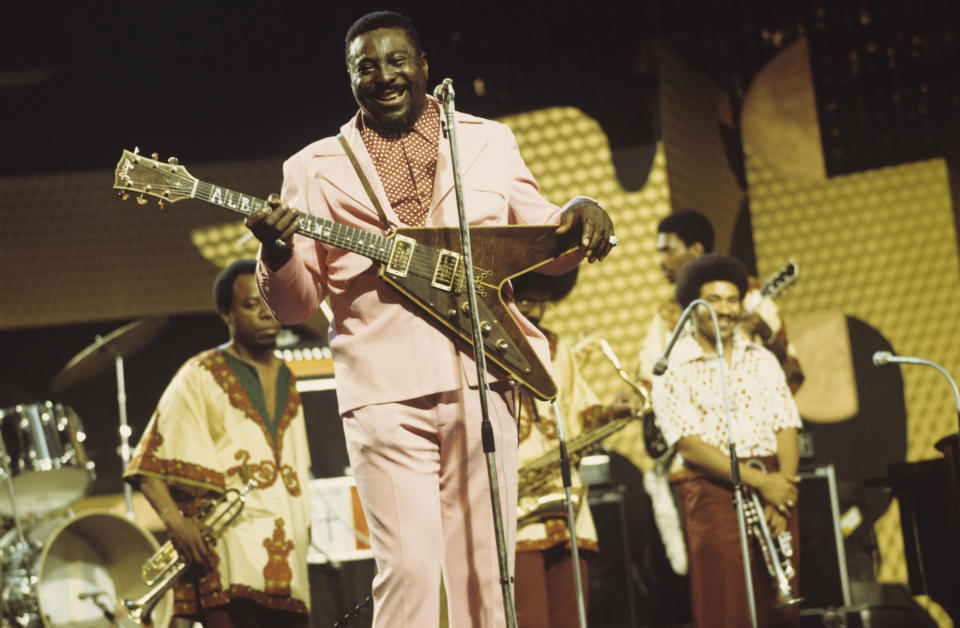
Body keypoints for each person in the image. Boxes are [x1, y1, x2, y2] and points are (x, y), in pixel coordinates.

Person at [243, 11, 616, 628]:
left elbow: (544, 238)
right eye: (366, 66)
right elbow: (296, 305)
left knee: (486, 569)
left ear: (424, 69)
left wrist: (580, 210)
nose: (384, 76)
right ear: (350, 77)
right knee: (410, 569)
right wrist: (278, 252)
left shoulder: (487, 141)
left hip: (482, 375)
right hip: (381, 390)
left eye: (397, 61)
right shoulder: (311, 166)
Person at [124, 259, 311, 627]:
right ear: (226, 313)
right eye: (250, 304)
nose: (265, 313)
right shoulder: (201, 372)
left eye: (270, 301)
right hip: (227, 554)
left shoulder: (290, 378)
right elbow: (147, 465)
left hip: (288, 556)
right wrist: (176, 524)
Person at [651, 253, 802, 628]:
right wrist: (763, 483)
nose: (725, 309)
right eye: (714, 300)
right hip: (714, 490)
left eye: (733, 300)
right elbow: (687, 443)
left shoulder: (762, 359)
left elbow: (786, 424)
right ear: (692, 306)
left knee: (780, 606)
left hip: (775, 486)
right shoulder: (672, 365)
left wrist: (782, 490)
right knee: (727, 603)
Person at [511, 269, 634, 628]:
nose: (534, 312)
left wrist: (613, 412)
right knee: (528, 617)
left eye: (541, 303)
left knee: (573, 617)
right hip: (513, 503)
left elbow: (581, 412)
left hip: (565, 500)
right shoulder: (478, 348)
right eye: (525, 301)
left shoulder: (557, 348)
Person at [639, 209, 803, 391]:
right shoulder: (668, 312)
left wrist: (765, 332)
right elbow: (649, 378)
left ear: (696, 250)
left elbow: (791, 372)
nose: (661, 260)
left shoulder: (750, 294)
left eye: (667, 251)